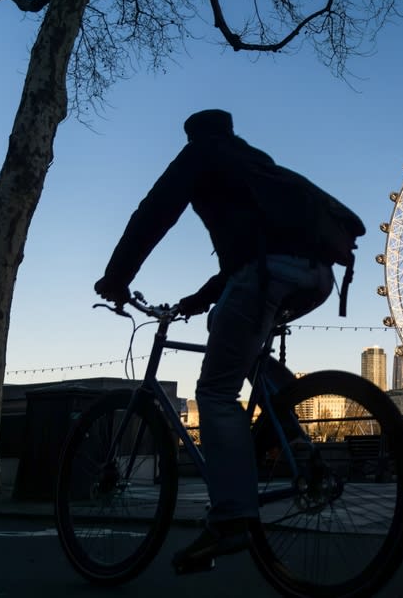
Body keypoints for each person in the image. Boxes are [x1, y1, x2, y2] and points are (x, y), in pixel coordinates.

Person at [94, 109, 335, 572]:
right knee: (237, 334)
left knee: (215, 392)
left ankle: (231, 519)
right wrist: (197, 300)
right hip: (316, 272)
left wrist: (117, 277)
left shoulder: (200, 154)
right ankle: (290, 434)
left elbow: (154, 212)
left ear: (193, 134)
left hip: (267, 271)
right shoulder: (251, 159)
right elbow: (246, 251)